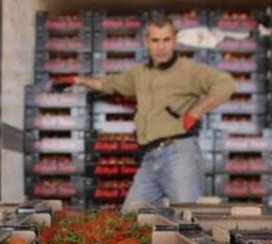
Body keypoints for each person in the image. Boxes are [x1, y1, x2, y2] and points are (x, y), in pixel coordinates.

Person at [53, 13, 236, 211]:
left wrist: (196, 112)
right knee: (131, 217)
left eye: (166, 40)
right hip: (149, 157)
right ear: (146, 42)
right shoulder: (139, 73)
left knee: (188, 217)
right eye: (155, 40)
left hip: (179, 154)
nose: (161, 46)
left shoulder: (188, 70)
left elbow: (225, 84)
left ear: (174, 40)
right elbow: (110, 84)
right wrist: (78, 80)